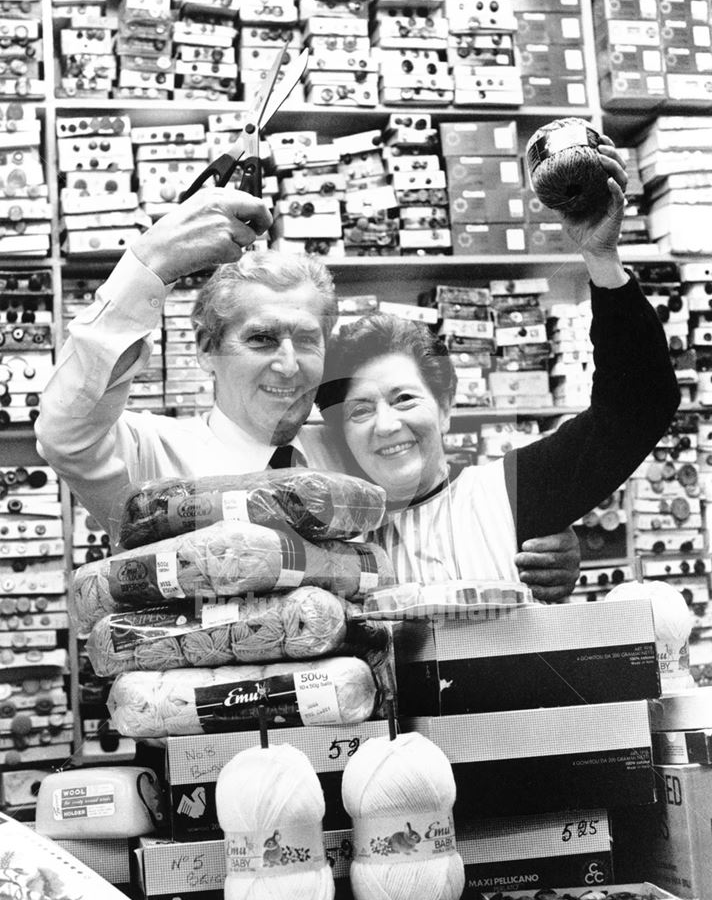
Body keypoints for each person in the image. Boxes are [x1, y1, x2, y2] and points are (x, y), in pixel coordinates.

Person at [36, 190, 578, 601]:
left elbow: (440, 510)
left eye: (307, 340)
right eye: (262, 339)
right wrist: (148, 265)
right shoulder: (149, 458)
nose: (290, 365)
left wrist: (533, 541)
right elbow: (65, 433)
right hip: (209, 740)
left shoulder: (352, 453)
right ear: (206, 349)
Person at [314, 141, 681, 584]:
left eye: (405, 399)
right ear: (341, 436)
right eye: (361, 410)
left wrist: (601, 257)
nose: (388, 424)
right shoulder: (324, 543)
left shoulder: (511, 492)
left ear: (446, 408)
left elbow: (637, 407)